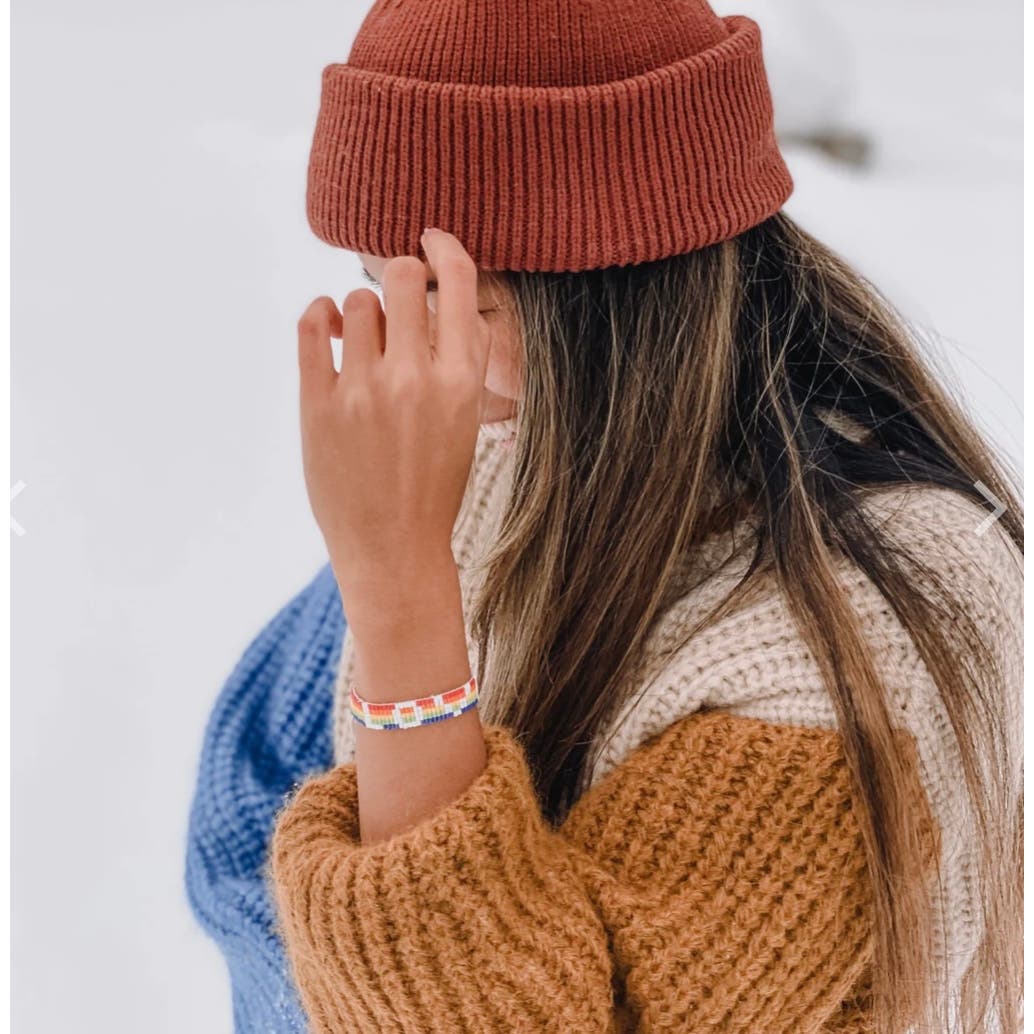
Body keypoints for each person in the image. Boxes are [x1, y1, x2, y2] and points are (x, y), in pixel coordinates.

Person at [186, 2, 1023, 1032]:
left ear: (620, 296)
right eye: (379, 287)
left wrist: (400, 596)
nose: (414, 371)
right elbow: (236, 824)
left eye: (460, 303)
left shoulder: (847, 650)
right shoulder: (507, 472)